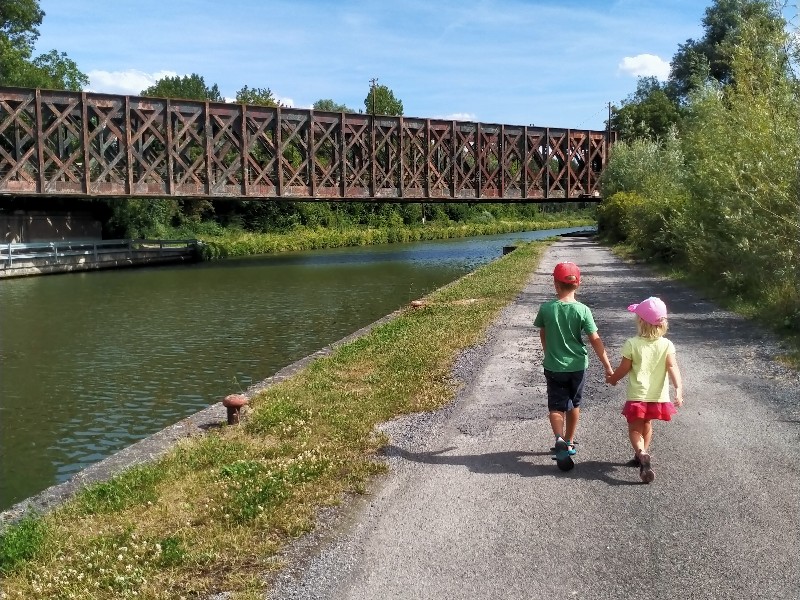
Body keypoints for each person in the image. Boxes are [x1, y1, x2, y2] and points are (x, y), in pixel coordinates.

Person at [534, 262, 614, 468]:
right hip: (578, 366)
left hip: (553, 366)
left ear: (555, 284)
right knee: (574, 404)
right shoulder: (583, 310)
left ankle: (558, 439)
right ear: (578, 284)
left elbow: (543, 334)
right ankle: (569, 441)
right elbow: (595, 339)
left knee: (555, 405)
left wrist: (548, 353)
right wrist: (607, 365)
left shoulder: (546, 309)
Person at [606, 296, 684, 483]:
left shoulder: (632, 344)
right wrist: (678, 389)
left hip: (637, 396)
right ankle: (642, 456)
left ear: (640, 321)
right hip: (657, 397)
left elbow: (624, 368)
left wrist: (613, 379)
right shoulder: (666, 345)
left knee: (634, 429)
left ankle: (640, 452)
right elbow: (673, 368)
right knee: (647, 425)